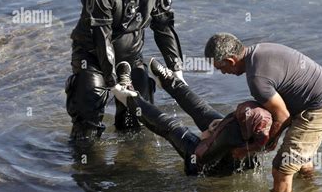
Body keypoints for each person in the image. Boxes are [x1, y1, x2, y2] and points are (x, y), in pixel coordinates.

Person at [65, 0, 186, 146]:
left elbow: (163, 27)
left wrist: (176, 68)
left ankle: (132, 167)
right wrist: (112, 82)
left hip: (131, 57)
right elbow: (102, 39)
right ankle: (84, 166)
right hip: (92, 57)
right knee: (88, 115)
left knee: (139, 119)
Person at [204, 33, 322, 192]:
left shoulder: (257, 79)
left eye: (221, 68)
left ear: (230, 61)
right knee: (300, 157)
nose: (222, 73)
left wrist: (258, 146)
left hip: (321, 108)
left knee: (282, 167)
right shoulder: (260, 51)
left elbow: (283, 116)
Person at [111, 59, 276, 176]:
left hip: (200, 161)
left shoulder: (229, 135)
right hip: (225, 150)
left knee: (171, 126)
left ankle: (128, 96)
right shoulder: (265, 131)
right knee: (204, 111)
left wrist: (206, 137)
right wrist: (218, 125)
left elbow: (204, 149)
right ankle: (170, 82)